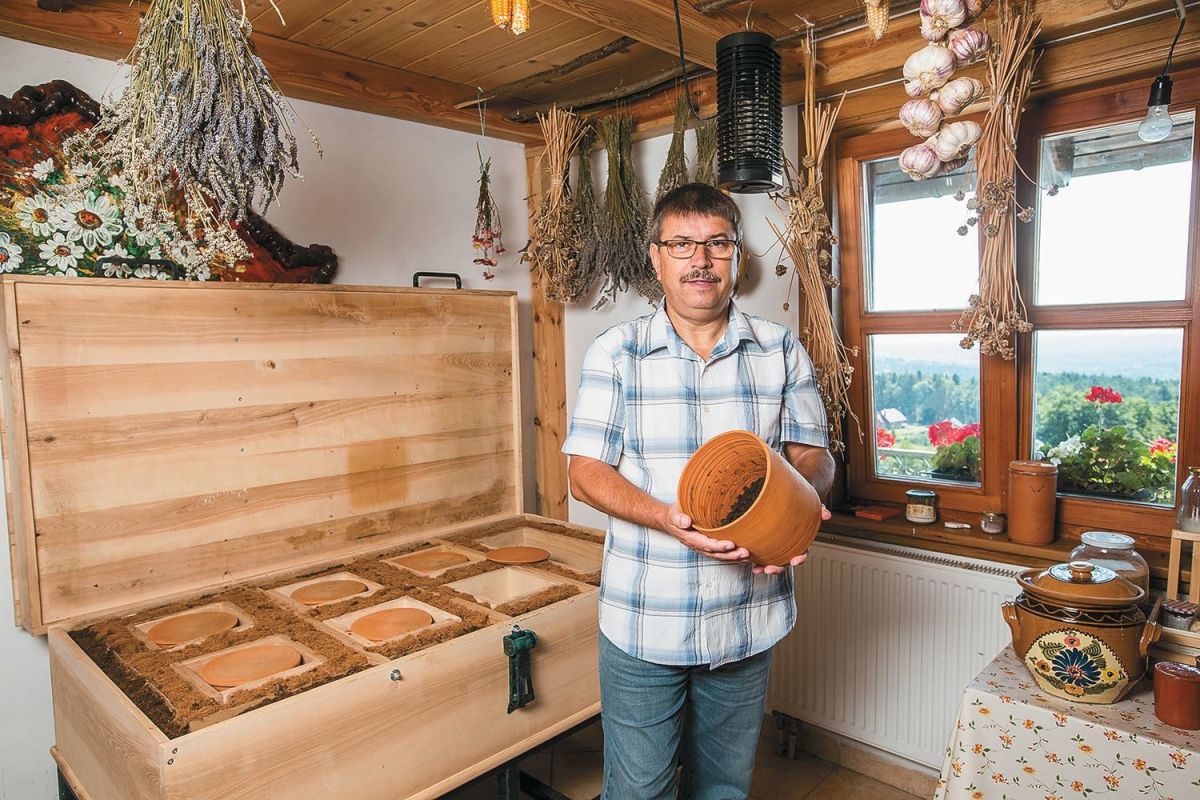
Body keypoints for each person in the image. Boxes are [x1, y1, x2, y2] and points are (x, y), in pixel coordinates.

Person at [562, 182, 835, 800]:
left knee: (723, 789)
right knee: (639, 791)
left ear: (738, 255)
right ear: (656, 258)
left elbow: (812, 456)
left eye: (717, 243)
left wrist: (801, 508)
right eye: (682, 244)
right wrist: (666, 516)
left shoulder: (780, 349)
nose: (701, 260)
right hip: (646, 616)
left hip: (747, 615)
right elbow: (584, 473)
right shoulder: (617, 352)